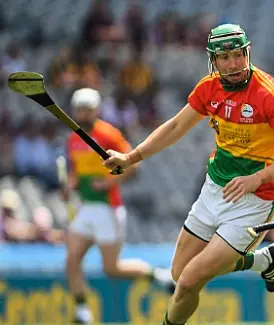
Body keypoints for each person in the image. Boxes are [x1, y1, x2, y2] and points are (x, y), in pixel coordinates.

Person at [102, 24, 274, 325]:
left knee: (188, 282)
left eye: (238, 55)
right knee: (178, 272)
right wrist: (131, 157)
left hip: (254, 201)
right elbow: (175, 127)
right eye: (224, 58)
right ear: (213, 60)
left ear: (247, 53)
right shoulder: (209, 88)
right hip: (214, 191)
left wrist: (258, 179)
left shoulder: (268, 94)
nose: (233, 64)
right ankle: (263, 260)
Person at [63, 88, 173, 324]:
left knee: (112, 269)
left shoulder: (108, 135)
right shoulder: (73, 139)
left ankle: (156, 275)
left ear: (96, 110)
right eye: (79, 109)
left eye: (88, 109)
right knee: (72, 259)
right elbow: (75, 173)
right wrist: (70, 186)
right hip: (85, 208)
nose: (83, 113)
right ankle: (82, 311)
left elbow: (133, 166)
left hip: (107, 208)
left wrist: (108, 182)